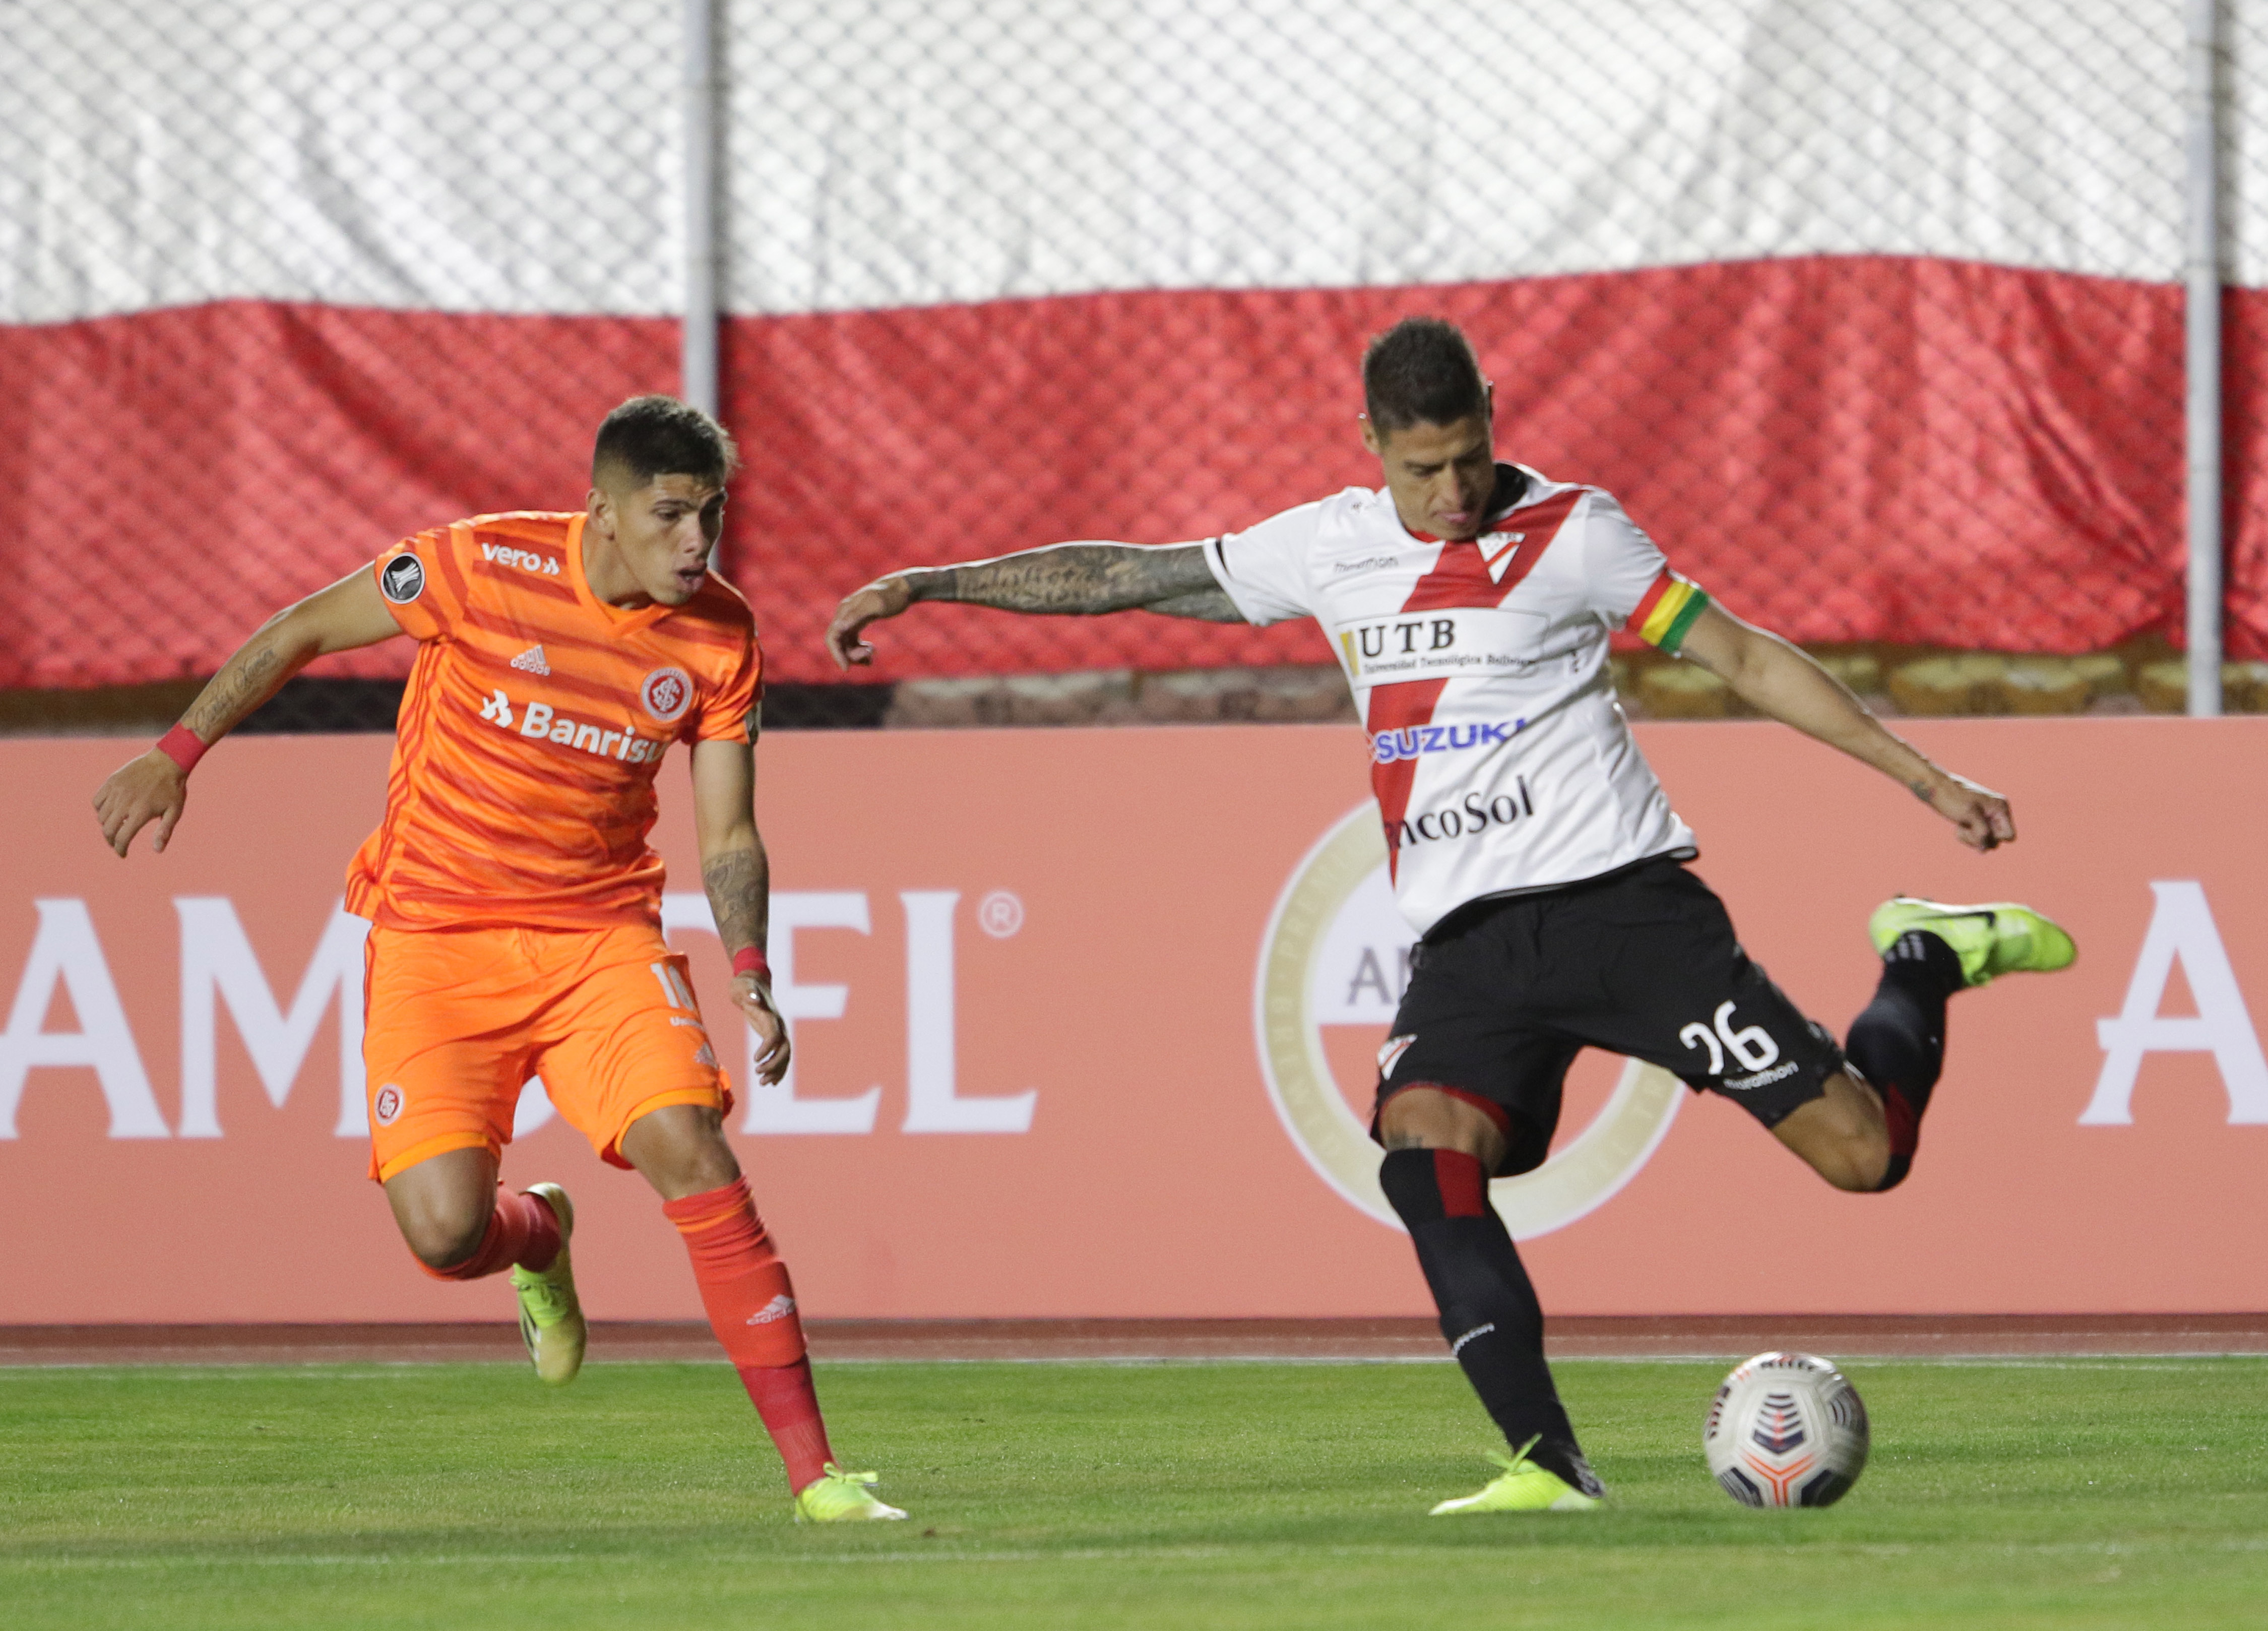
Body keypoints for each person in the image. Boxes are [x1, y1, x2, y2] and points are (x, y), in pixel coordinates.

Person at [825, 317, 2074, 1515]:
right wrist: (934, 583)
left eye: (1471, 454)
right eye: (1424, 467)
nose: (1455, 488)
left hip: (1625, 908)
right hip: (1471, 948)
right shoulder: (1326, 546)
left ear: (1495, 420)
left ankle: (1924, 955)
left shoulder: (1577, 532)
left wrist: (1926, 777)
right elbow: (1124, 577)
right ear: (1370, 443)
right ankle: (1549, 1463)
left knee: (1867, 1158)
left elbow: (1743, 657)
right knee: (1422, 1156)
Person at [95, 394, 905, 1523]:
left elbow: (726, 832)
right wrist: (176, 752)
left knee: (693, 1147)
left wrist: (752, 969)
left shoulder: (722, 635)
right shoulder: (476, 567)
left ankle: (817, 1476)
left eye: (710, 516)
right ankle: (542, 1234)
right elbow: (302, 632)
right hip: (434, 942)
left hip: (598, 943)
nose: (695, 543)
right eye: (670, 515)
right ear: (603, 511)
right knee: (445, 1234)